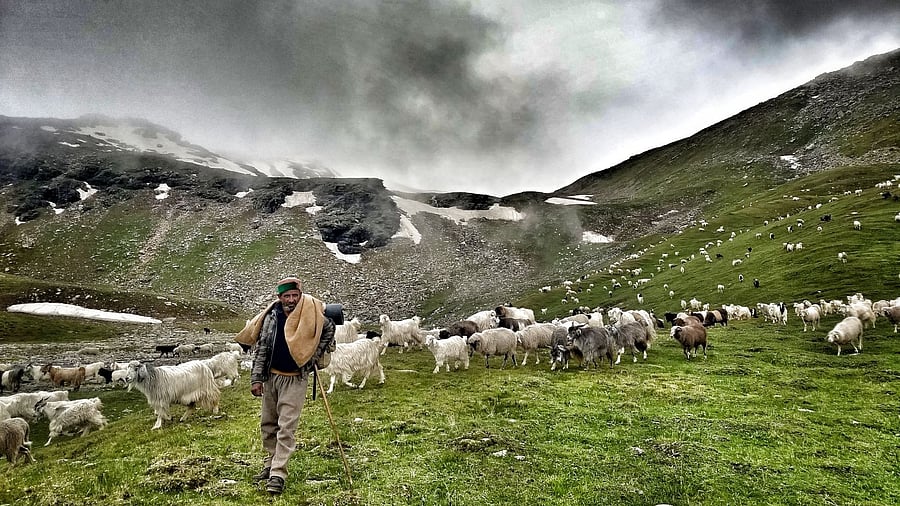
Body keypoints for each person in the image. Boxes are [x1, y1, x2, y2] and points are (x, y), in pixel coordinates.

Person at [235, 276, 336, 495]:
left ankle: (278, 474)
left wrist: (314, 356)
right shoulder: (272, 316)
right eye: (286, 296)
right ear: (279, 297)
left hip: (295, 379)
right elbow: (262, 348)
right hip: (272, 377)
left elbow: (330, 329)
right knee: (268, 425)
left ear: (300, 295)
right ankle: (270, 464)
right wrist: (256, 378)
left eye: (295, 295)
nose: (291, 299)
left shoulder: (312, 313)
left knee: (286, 427)